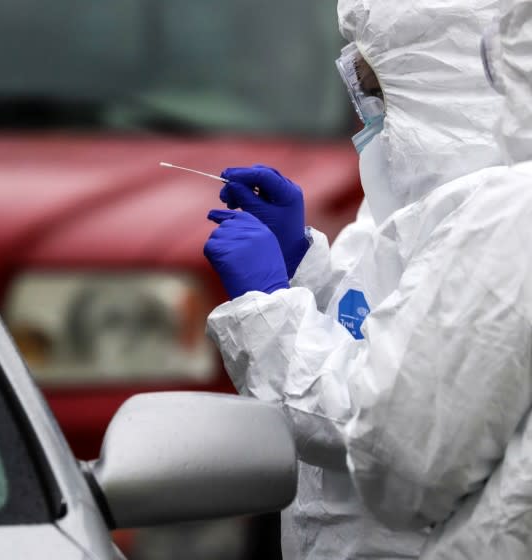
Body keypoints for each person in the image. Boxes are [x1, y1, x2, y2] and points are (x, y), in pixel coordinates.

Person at [202, 0, 504, 557]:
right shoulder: (410, 200)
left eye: (383, 96)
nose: (372, 120)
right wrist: (301, 267)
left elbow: (377, 429)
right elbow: (369, 326)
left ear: (447, 91)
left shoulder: (499, 227)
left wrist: (268, 307)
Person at [342, 1, 532, 557]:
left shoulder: (511, 217)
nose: (370, 119)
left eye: (377, 96)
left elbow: (399, 466)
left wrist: (273, 318)